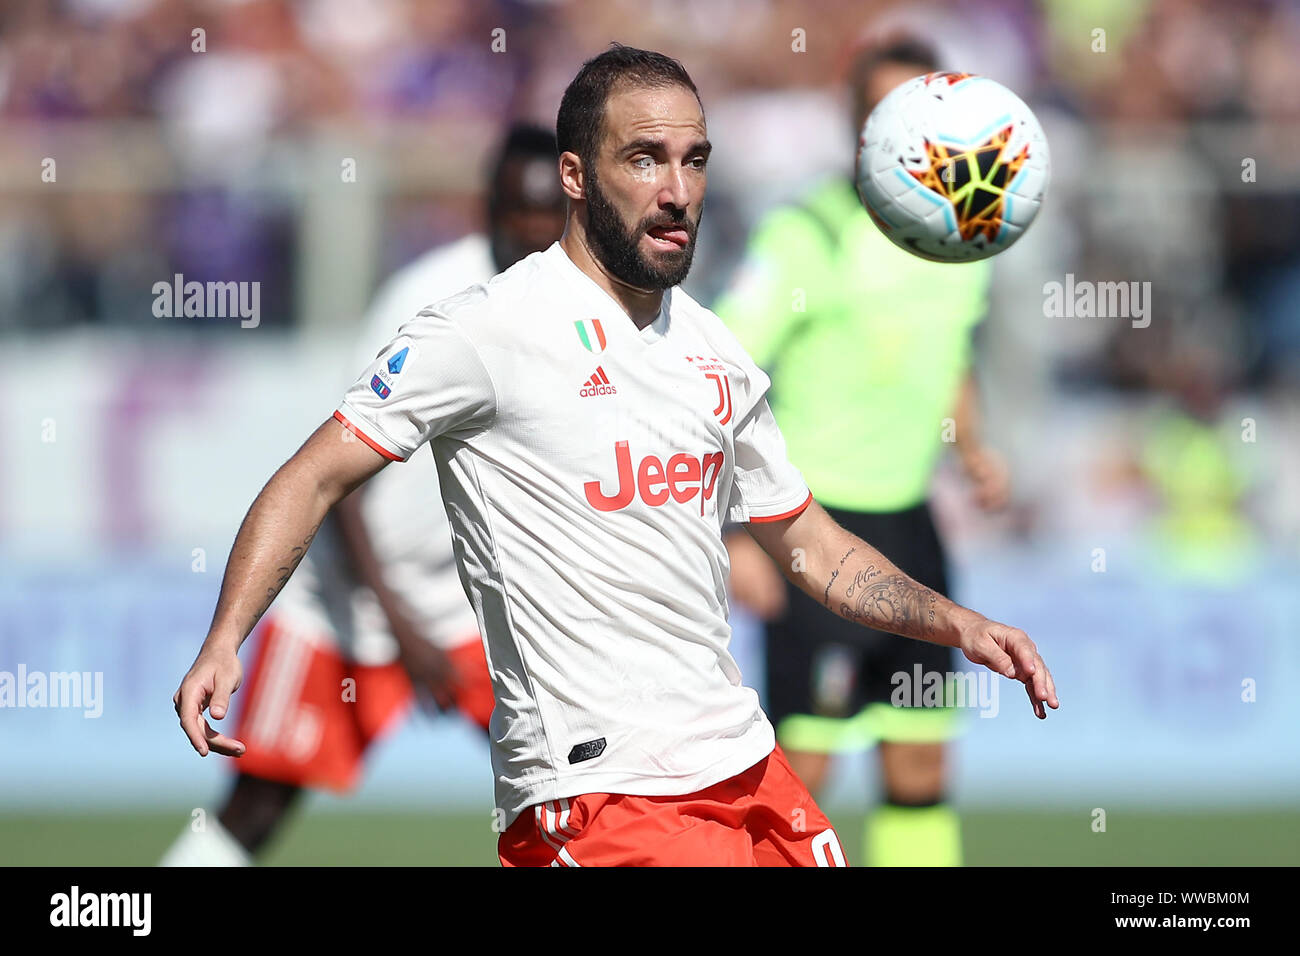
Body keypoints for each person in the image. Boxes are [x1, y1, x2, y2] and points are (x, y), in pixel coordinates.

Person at [174, 44, 1057, 869]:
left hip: (745, 769)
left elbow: (810, 546)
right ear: (576, 175)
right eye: (644, 159)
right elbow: (312, 475)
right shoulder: (483, 332)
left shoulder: (713, 351)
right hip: (597, 794)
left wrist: (958, 625)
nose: (677, 189)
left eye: (695, 159)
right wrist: (225, 638)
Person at [160, 124, 566, 866]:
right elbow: (339, 485)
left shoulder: (579, 304)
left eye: (551, 216)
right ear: (488, 210)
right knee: (256, 808)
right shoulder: (426, 300)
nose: (535, 233)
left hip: (473, 607)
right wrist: (403, 628)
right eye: (519, 214)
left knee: (566, 797)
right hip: (351, 605)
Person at [714, 35, 1010, 867]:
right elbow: (719, 377)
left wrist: (973, 444)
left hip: (913, 528)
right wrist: (739, 532)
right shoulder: (806, 234)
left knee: (919, 765)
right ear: (854, 124)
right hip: (816, 531)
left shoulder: (959, 237)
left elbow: (950, 354)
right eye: (879, 115)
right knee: (801, 778)